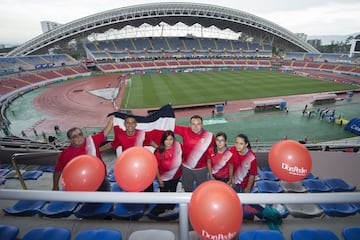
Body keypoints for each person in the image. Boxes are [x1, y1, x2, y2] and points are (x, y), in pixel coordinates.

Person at [52, 116, 113, 191]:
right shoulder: (65, 154)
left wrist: (112, 119)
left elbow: (105, 132)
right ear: (69, 140)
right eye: (75, 136)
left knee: (106, 199)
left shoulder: (91, 141)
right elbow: (58, 170)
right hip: (82, 183)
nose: (79, 137)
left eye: (80, 134)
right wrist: (55, 186)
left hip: (100, 178)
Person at [174, 115, 215, 192]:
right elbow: (170, 127)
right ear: (189, 125)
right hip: (186, 169)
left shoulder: (210, 136)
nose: (196, 127)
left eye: (198, 124)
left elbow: (212, 153)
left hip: (202, 170)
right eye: (193, 124)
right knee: (187, 189)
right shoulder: (185, 130)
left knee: (202, 190)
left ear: (202, 125)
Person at [151, 130, 182, 216]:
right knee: (164, 194)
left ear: (174, 139)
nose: (169, 142)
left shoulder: (178, 146)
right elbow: (155, 167)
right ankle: (161, 209)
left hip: (176, 176)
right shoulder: (158, 152)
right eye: (166, 139)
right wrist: (159, 179)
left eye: (171, 139)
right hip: (164, 178)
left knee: (172, 191)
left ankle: (171, 207)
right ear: (163, 140)